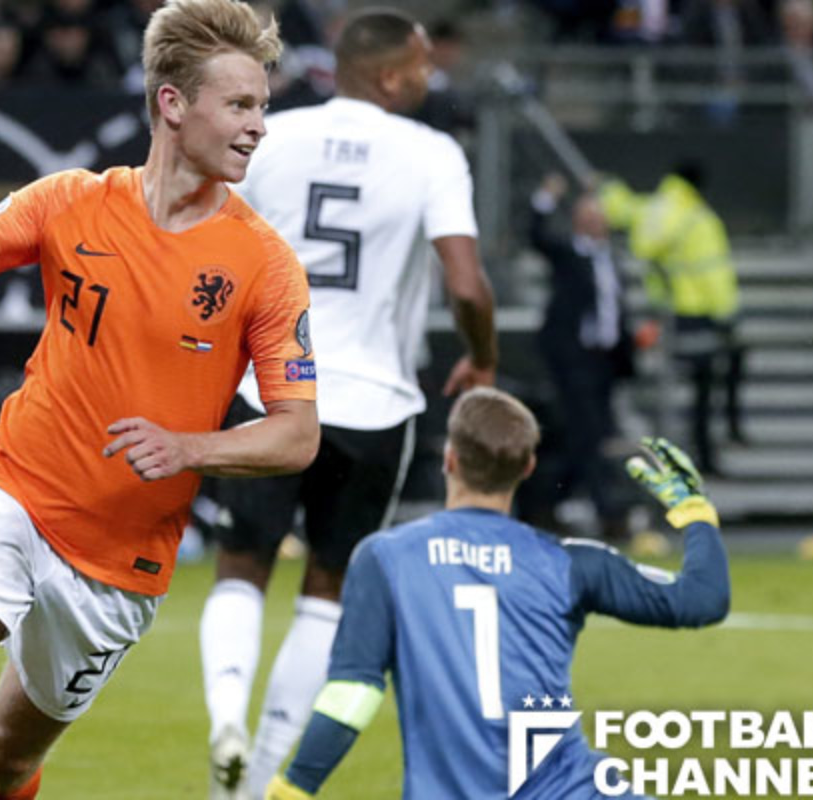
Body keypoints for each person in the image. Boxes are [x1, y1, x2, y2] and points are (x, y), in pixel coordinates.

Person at [0, 0, 320, 797]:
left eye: (261, 106)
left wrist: (190, 447)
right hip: (15, 492)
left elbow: (297, 435)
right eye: (239, 104)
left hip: (122, 562)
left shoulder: (264, 264)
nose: (257, 127)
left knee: (7, 763)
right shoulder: (70, 200)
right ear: (173, 103)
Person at [197, 9, 498, 798]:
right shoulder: (432, 152)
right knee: (327, 590)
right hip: (373, 403)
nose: (431, 76)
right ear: (391, 75)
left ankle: (226, 714)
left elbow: (207, 241)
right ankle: (258, 777)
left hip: (271, 386)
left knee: (241, 566)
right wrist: (482, 357)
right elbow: (467, 285)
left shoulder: (276, 136)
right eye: (423, 64)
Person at [265, 387, 731, 800]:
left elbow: (353, 693)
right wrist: (695, 514)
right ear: (527, 467)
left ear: (450, 459)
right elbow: (702, 599)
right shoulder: (569, 562)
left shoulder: (387, 558)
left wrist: (294, 788)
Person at [601, 162, 744, 474]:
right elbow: (714, 273)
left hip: (666, 312)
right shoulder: (700, 218)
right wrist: (727, 315)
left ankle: (671, 452)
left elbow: (620, 208)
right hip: (700, 313)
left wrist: (605, 185)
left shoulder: (653, 208)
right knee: (706, 386)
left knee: (669, 384)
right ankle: (709, 451)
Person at [526, 172, 635, 541]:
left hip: (606, 362)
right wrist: (547, 197)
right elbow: (537, 235)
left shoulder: (610, 259)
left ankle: (544, 503)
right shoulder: (569, 254)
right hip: (575, 360)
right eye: (588, 217)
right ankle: (609, 513)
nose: (595, 223)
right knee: (589, 436)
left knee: (584, 439)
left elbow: (613, 310)